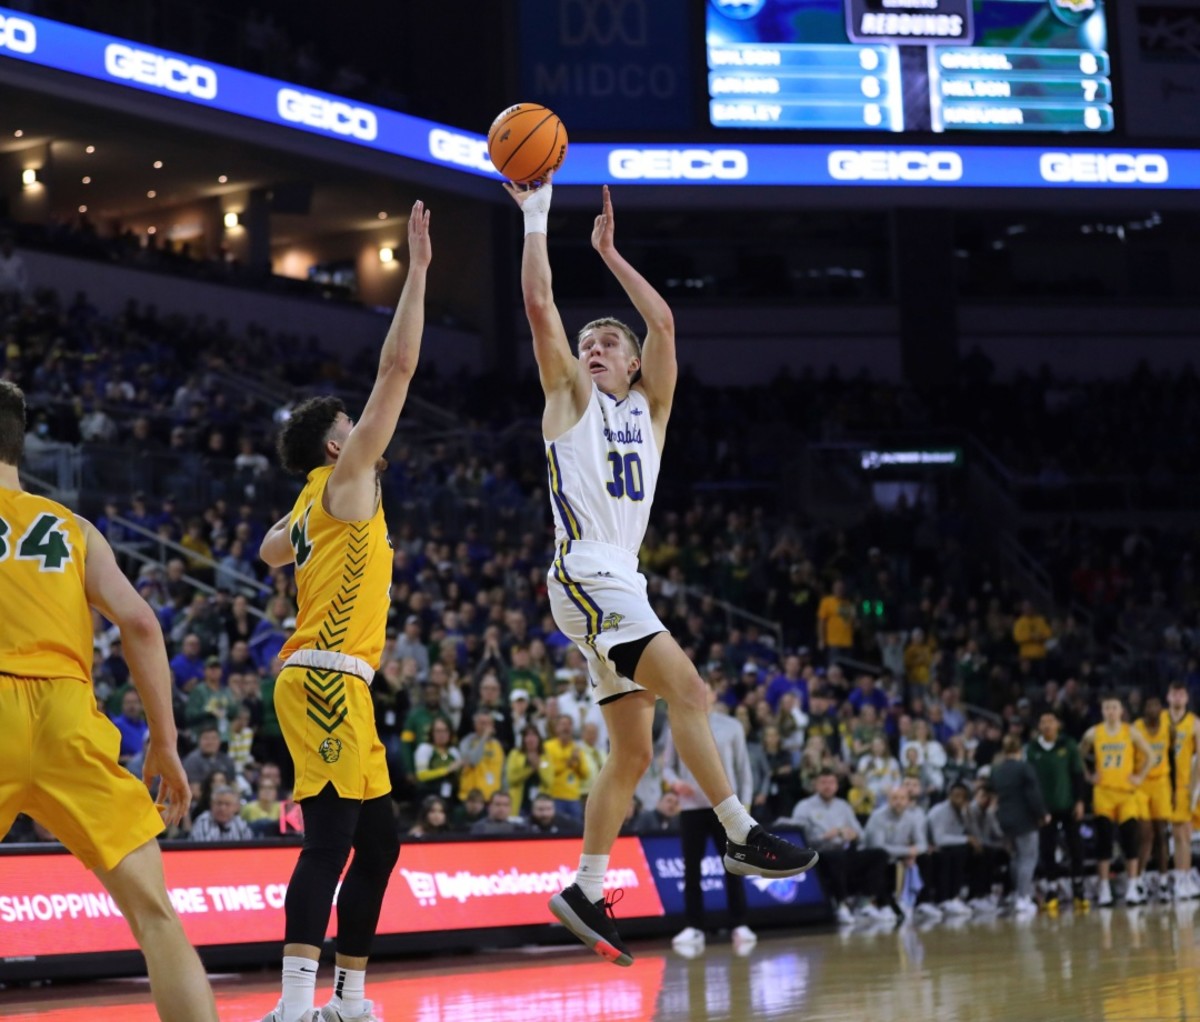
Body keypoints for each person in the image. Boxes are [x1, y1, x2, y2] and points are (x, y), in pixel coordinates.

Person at [507, 177, 817, 967]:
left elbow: (666, 321)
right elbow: (541, 307)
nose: (594, 348)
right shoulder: (569, 399)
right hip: (585, 572)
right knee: (695, 692)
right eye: (589, 343)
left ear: (636, 362)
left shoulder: (650, 410)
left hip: (622, 581)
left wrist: (609, 253)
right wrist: (537, 216)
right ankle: (743, 835)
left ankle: (584, 885)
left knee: (635, 753)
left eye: (609, 343)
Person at [255, 200, 431, 1022]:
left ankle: (350, 998)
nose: (363, 430)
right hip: (324, 675)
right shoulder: (346, 480)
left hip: (341, 683)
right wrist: (419, 272)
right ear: (337, 446)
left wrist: (297, 532)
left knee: (381, 845)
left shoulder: (309, 501)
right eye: (349, 427)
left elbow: (268, 551)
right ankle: (293, 1004)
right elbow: (395, 372)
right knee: (329, 842)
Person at [0, 380, 219, 1021]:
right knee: (154, 914)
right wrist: (165, 741)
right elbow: (142, 624)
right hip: (67, 713)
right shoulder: (72, 528)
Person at [663, 676, 757, 954]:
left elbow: (744, 771)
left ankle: (739, 923)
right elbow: (666, 767)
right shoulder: (676, 724)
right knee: (691, 869)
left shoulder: (732, 727)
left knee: (734, 865)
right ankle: (694, 926)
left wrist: (746, 808)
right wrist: (675, 783)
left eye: (706, 690)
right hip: (691, 808)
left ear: (715, 695)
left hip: (727, 808)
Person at [790, 769, 895, 925]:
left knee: (879, 854)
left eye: (831, 783)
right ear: (815, 786)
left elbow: (861, 834)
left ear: (837, 786)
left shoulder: (843, 806)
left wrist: (854, 835)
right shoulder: (804, 807)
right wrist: (823, 837)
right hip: (819, 854)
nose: (828, 787)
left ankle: (866, 902)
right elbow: (798, 839)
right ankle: (842, 905)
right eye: (823, 783)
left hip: (845, 851)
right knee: (835, 856)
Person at [1080, 693, 1154, 907]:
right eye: (1107, 707)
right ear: (1102, 711)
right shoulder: (1094, 733)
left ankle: (1132, 886)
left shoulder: (1130, 732)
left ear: (1121, 710)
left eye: (1114, 707)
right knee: (1103, 842)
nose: (1111, 711)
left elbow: (1150, 755)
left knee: (1130, 840)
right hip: (1103, 793)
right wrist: (1088, 775)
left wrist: (1139, 776)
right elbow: (1079, 754)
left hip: (1126, 793)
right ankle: (1104, 888)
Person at [1025, 711, 1087, 910]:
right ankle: (1051, 889)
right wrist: (1036, 809)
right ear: (1039, 727)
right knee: (1047, 849)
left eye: (1050, 721)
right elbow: (1030, 782)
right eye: (1043, 721)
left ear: (1058, 725)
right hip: (1045, 808)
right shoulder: (1032, 749)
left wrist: (1079, 801)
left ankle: (1078, 888)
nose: (1047, 725)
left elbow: (1078, 773)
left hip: (1068, 804)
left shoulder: (1067, 744)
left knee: (1075, 846)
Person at [987, 736, 1048, 917]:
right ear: (1020, 751)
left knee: (1015, 858)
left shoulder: (997, 770)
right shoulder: (1024, 768)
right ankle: (1023, 897)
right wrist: (1042, 813)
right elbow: (1033, 794)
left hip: (1004, 819)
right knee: (1028, 858)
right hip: (1024, 820)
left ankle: (1017, 894)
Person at [1133, 696, 1173, 901]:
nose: (1153, 708)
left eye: (1156, 704)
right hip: (1141, 784)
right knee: (1145, 834)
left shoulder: (1168, 724)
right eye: (1149, 704)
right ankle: (1138, 880)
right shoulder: (1136, 728)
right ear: (1143, 708)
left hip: (1161, 783)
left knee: (1162, 833)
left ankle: (1164, 880)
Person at [1166, 680, 1200, 899]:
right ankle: (1177, 877)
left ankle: (1183, 877)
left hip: (1184, 785)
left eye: (1182, 694)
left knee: (1184, 833)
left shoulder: (1194, 723)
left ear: (1187, 698)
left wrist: (1194, 789)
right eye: (1174, 693)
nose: (1178, 697)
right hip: (1161, 783)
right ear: (1168, 697)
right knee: (1164, 835)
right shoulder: (1160, 721)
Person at [190, 785, 254, 842]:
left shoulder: (241, 824)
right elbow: (200, 850)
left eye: (227, 804)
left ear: (236, 807)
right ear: (211, 804)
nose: (222, 808)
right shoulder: (202, 821)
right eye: (219, 803)